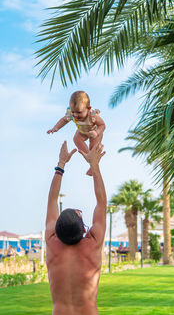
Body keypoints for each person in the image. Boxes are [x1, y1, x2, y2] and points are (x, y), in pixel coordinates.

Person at [46, 140, 107, 315]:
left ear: (57, 229)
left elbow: (51, 200)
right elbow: (101, 203)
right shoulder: (93, 243)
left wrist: (61, 164)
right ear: (83, 230)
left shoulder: (51, 241)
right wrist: (94, 166)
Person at [47, 91, 106, 176]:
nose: (75, 115)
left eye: (79, 112)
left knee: (93, 147)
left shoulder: (92, 116)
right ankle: (90, 160)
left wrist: (96, 132)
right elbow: (64, 120)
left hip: (94, 131)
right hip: (82, 131)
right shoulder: (72, 113)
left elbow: (102, 125)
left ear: (88, 108)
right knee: (76, 139)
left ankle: (93, 162)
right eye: (73, 111)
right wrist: (56, 127)